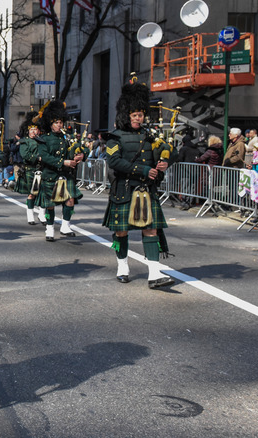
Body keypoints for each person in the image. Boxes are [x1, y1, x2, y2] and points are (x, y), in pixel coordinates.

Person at [102, 78, 176, 289]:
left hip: (146, 190)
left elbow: (172, 151)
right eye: (134, 115)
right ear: (126, 115)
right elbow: (114, 161)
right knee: (121, 232)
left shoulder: (150, 136)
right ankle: (122, 266)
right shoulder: (114, 137)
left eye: (141, 114)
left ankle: (154, 273)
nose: (138, 118)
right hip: (124, 190)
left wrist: (164, 161)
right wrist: (144, 169)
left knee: (151, 229)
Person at [35, 100, 86, 241]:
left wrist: (80, 155)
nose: (59, 125)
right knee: (50, 205)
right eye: (56, 122)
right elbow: (44, 156)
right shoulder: (43, 139)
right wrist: (63, 162)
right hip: (50, 175)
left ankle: (65, 226)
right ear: (50, 124)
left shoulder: (67, 139)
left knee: (70, 200)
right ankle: (50, 228)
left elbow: (75, 151)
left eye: (61, 122)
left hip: (65, 175)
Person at [13, 111, 46, 225]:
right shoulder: (24, 141)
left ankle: (42, 215)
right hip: (30, 169)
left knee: (43, 193)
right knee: (32, 193)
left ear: (38, 130)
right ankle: (30, 215)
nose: (33, 131)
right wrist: (38, 158)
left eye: (35, 129)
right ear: (28, 130)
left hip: (42, 170)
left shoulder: (43, 141)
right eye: (31, 129)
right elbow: (25, 155)